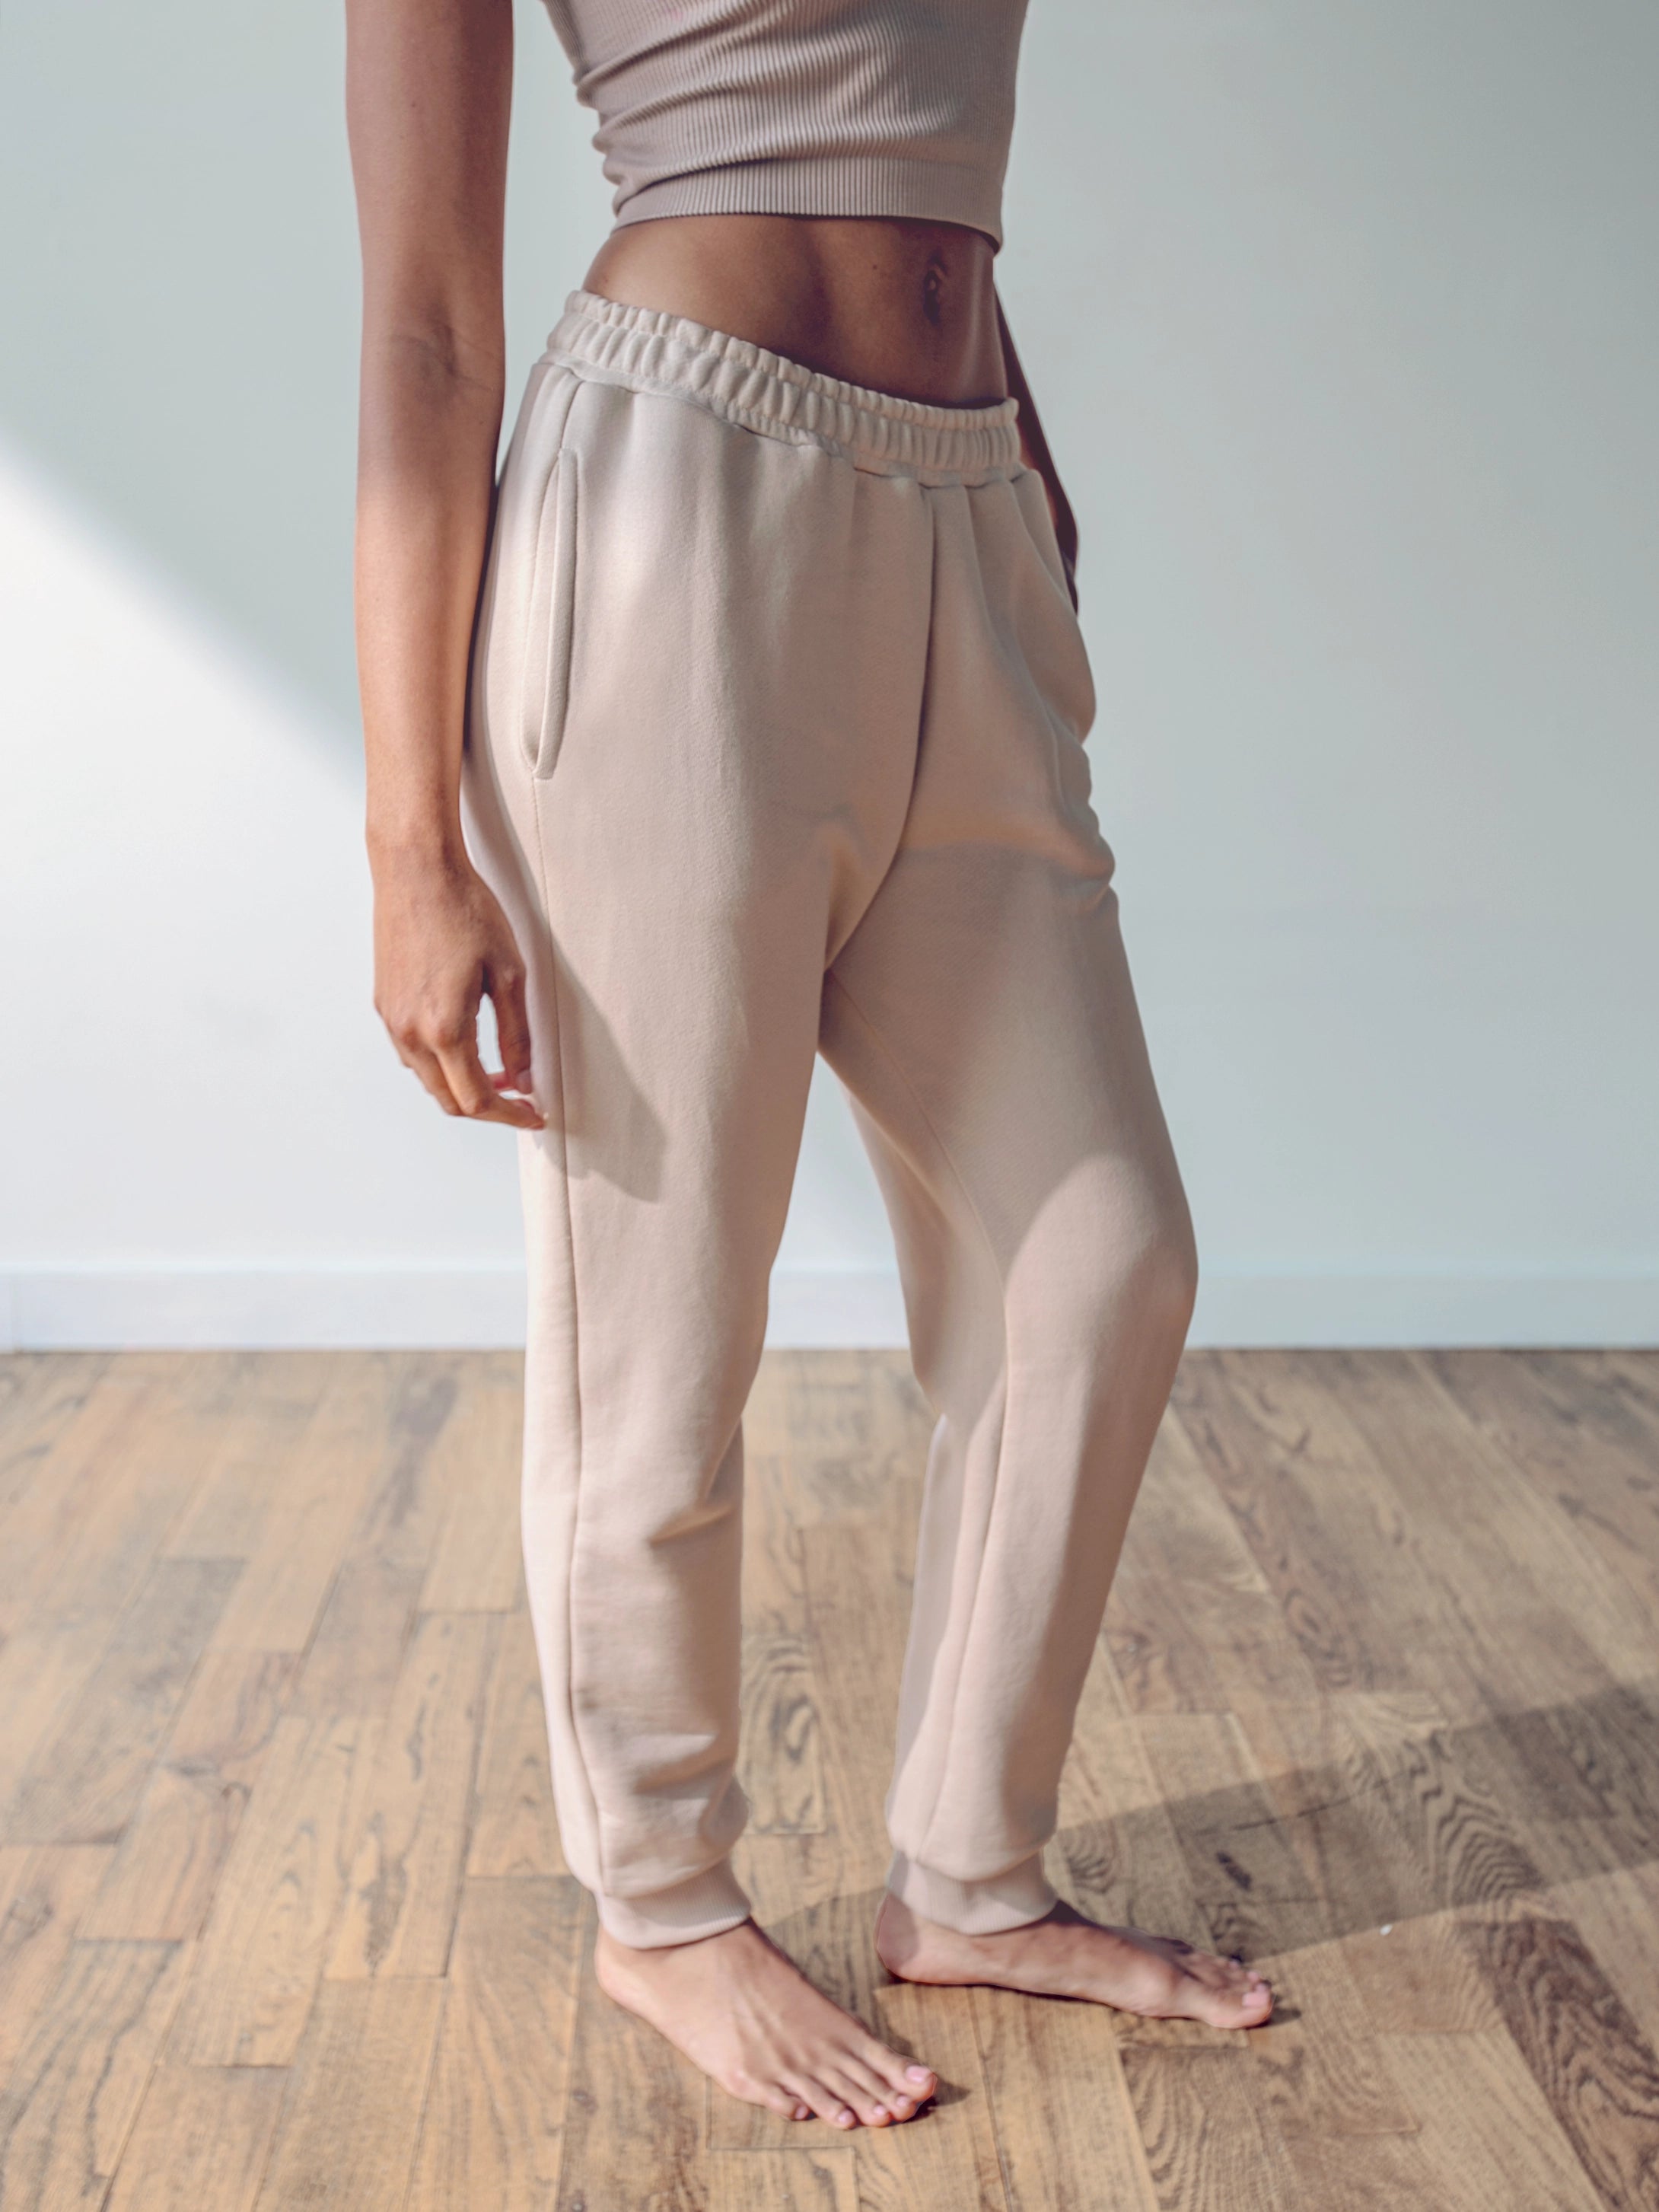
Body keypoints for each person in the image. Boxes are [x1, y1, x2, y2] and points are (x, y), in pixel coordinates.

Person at [347, 0, 1273, 2135]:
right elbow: (419, 328)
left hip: (959, 515)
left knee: (1099, 1259)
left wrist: (1019, 470)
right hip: (675, 517)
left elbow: (928, 147)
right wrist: (413, 840)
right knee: (659, 1325)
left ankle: (967, 1866)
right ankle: (661, 1902)